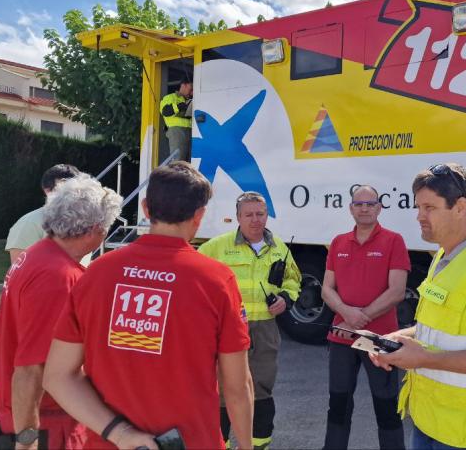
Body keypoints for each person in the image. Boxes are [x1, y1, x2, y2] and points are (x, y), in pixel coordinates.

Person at [43, 162, 254, 450]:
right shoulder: (216, 280)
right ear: (199, 215)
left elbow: (57, 377)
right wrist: (245, 445)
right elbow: (237, 387)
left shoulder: (97, 273)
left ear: (145, 208)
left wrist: (120, 434)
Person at [371, 163, 466, 450]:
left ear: (460, 207)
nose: (419, 216)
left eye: (429, 208)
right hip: (432, 422)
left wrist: (424, 358)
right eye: (418, 207)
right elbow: (436, 328)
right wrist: (399, 339)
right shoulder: (445, 254)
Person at [0, 175, 122, 449]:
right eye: (106, 228)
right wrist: (26, 439)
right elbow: (29, 368)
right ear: (93, 230)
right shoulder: (59, 277)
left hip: (23, 411)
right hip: (45, 421)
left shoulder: (38, 253)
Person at [198, 191, 301, 449]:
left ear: (267, 215)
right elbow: (194, 280)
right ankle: (220, 444)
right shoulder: (216, 247)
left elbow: (293, 280)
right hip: (226, 330)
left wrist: (286, 300)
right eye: (249, 215)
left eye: (260, 214)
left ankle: (258, 445)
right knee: (223, 391)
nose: (255, 220)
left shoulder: (279, 247)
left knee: (261, 388)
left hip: (264, 329)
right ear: (238, 218)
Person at [321, 185, 409, 450]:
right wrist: (347, 313)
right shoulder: (338, 242)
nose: (364, 208)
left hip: (380, 338)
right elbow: (326, 289)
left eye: (370, 204)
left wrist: (362, 317)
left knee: (386, 405)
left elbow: (397, 291)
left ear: (379, 208)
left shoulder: (394, 240)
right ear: (351, 209)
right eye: (359, 204)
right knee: (338, 403)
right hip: (341, 335)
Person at [5, 164, 81, 264]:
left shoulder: (84, 222)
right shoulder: (28, 223)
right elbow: (18, 272)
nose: (73, 193)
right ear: (48, 190)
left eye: (77, 188)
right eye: (65, 188)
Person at [160, 80, 193, 161]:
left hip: (191, 131)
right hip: (177, 132)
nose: (192, 93)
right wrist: (179, 106)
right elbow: (165, 111)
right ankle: (174, 174)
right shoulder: (170, 97)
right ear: (183, 85)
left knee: (189, 163)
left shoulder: (189, 100)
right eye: (191, 89)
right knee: (178, 161)